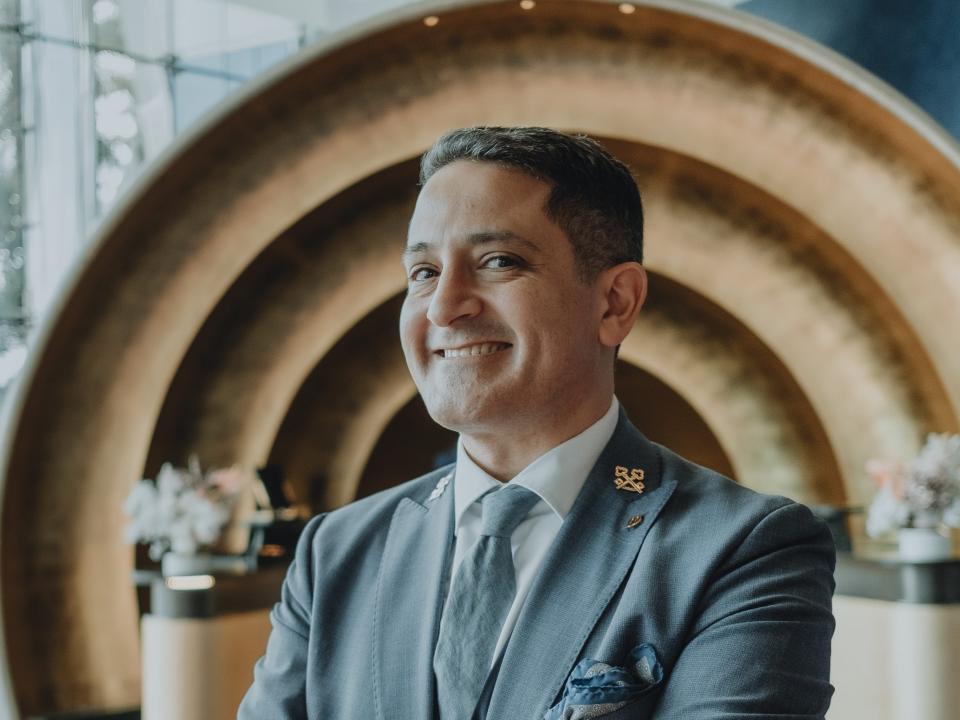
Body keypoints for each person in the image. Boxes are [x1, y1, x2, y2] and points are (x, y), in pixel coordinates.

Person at [238, 126, 835, 719]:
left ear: (615, 303)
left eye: (499, 261)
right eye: (423, 273)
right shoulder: (335, 552)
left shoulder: (744, 550)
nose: (445, 307)